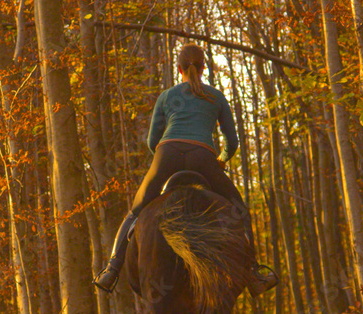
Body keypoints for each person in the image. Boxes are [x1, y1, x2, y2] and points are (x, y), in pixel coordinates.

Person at [93, 43, 278, 296]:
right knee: (239, 208)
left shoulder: (167, 96)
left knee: (136, 211)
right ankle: (254, 272)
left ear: (178, 68)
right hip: (204, 156)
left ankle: (112, 269)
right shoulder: (216, 96)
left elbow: (151, 141)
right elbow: (232, 142)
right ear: (204, 68)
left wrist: (162, 165)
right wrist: (221, 160)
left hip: (167, 154)